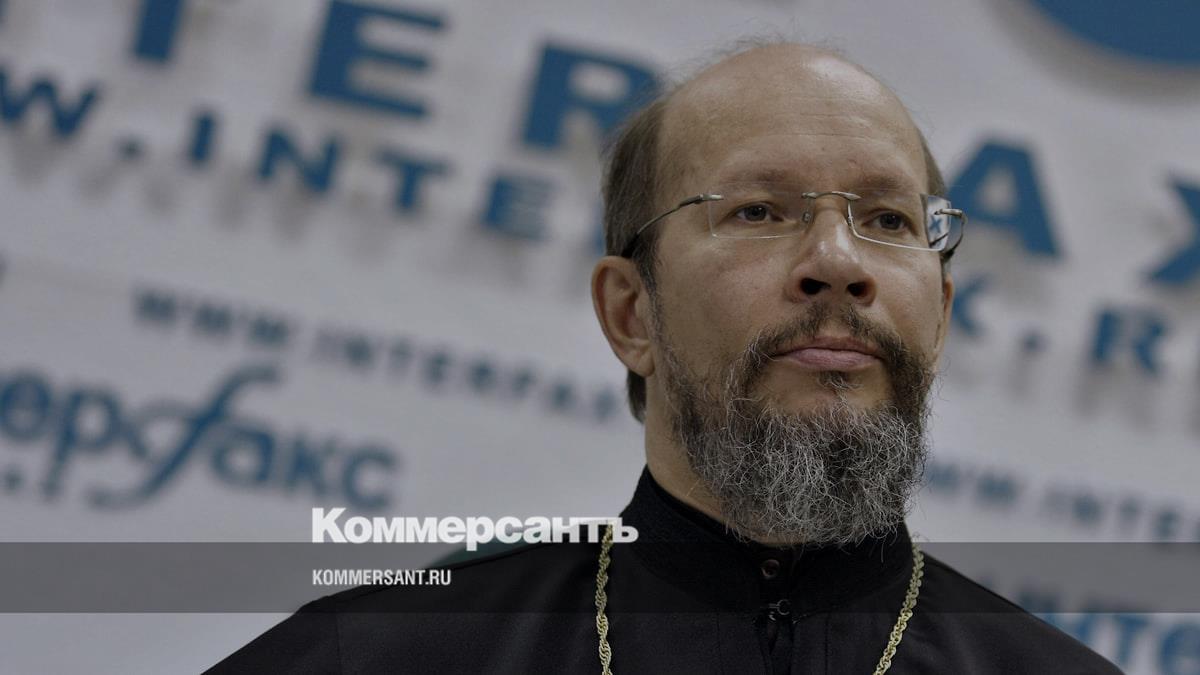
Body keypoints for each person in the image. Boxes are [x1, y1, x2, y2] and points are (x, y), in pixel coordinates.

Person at [206, 42, 1121, 674]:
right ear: (630, 312)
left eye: (888, 218)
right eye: (759, 210)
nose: (838, 262)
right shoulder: (385, 653)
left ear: (942, 315)